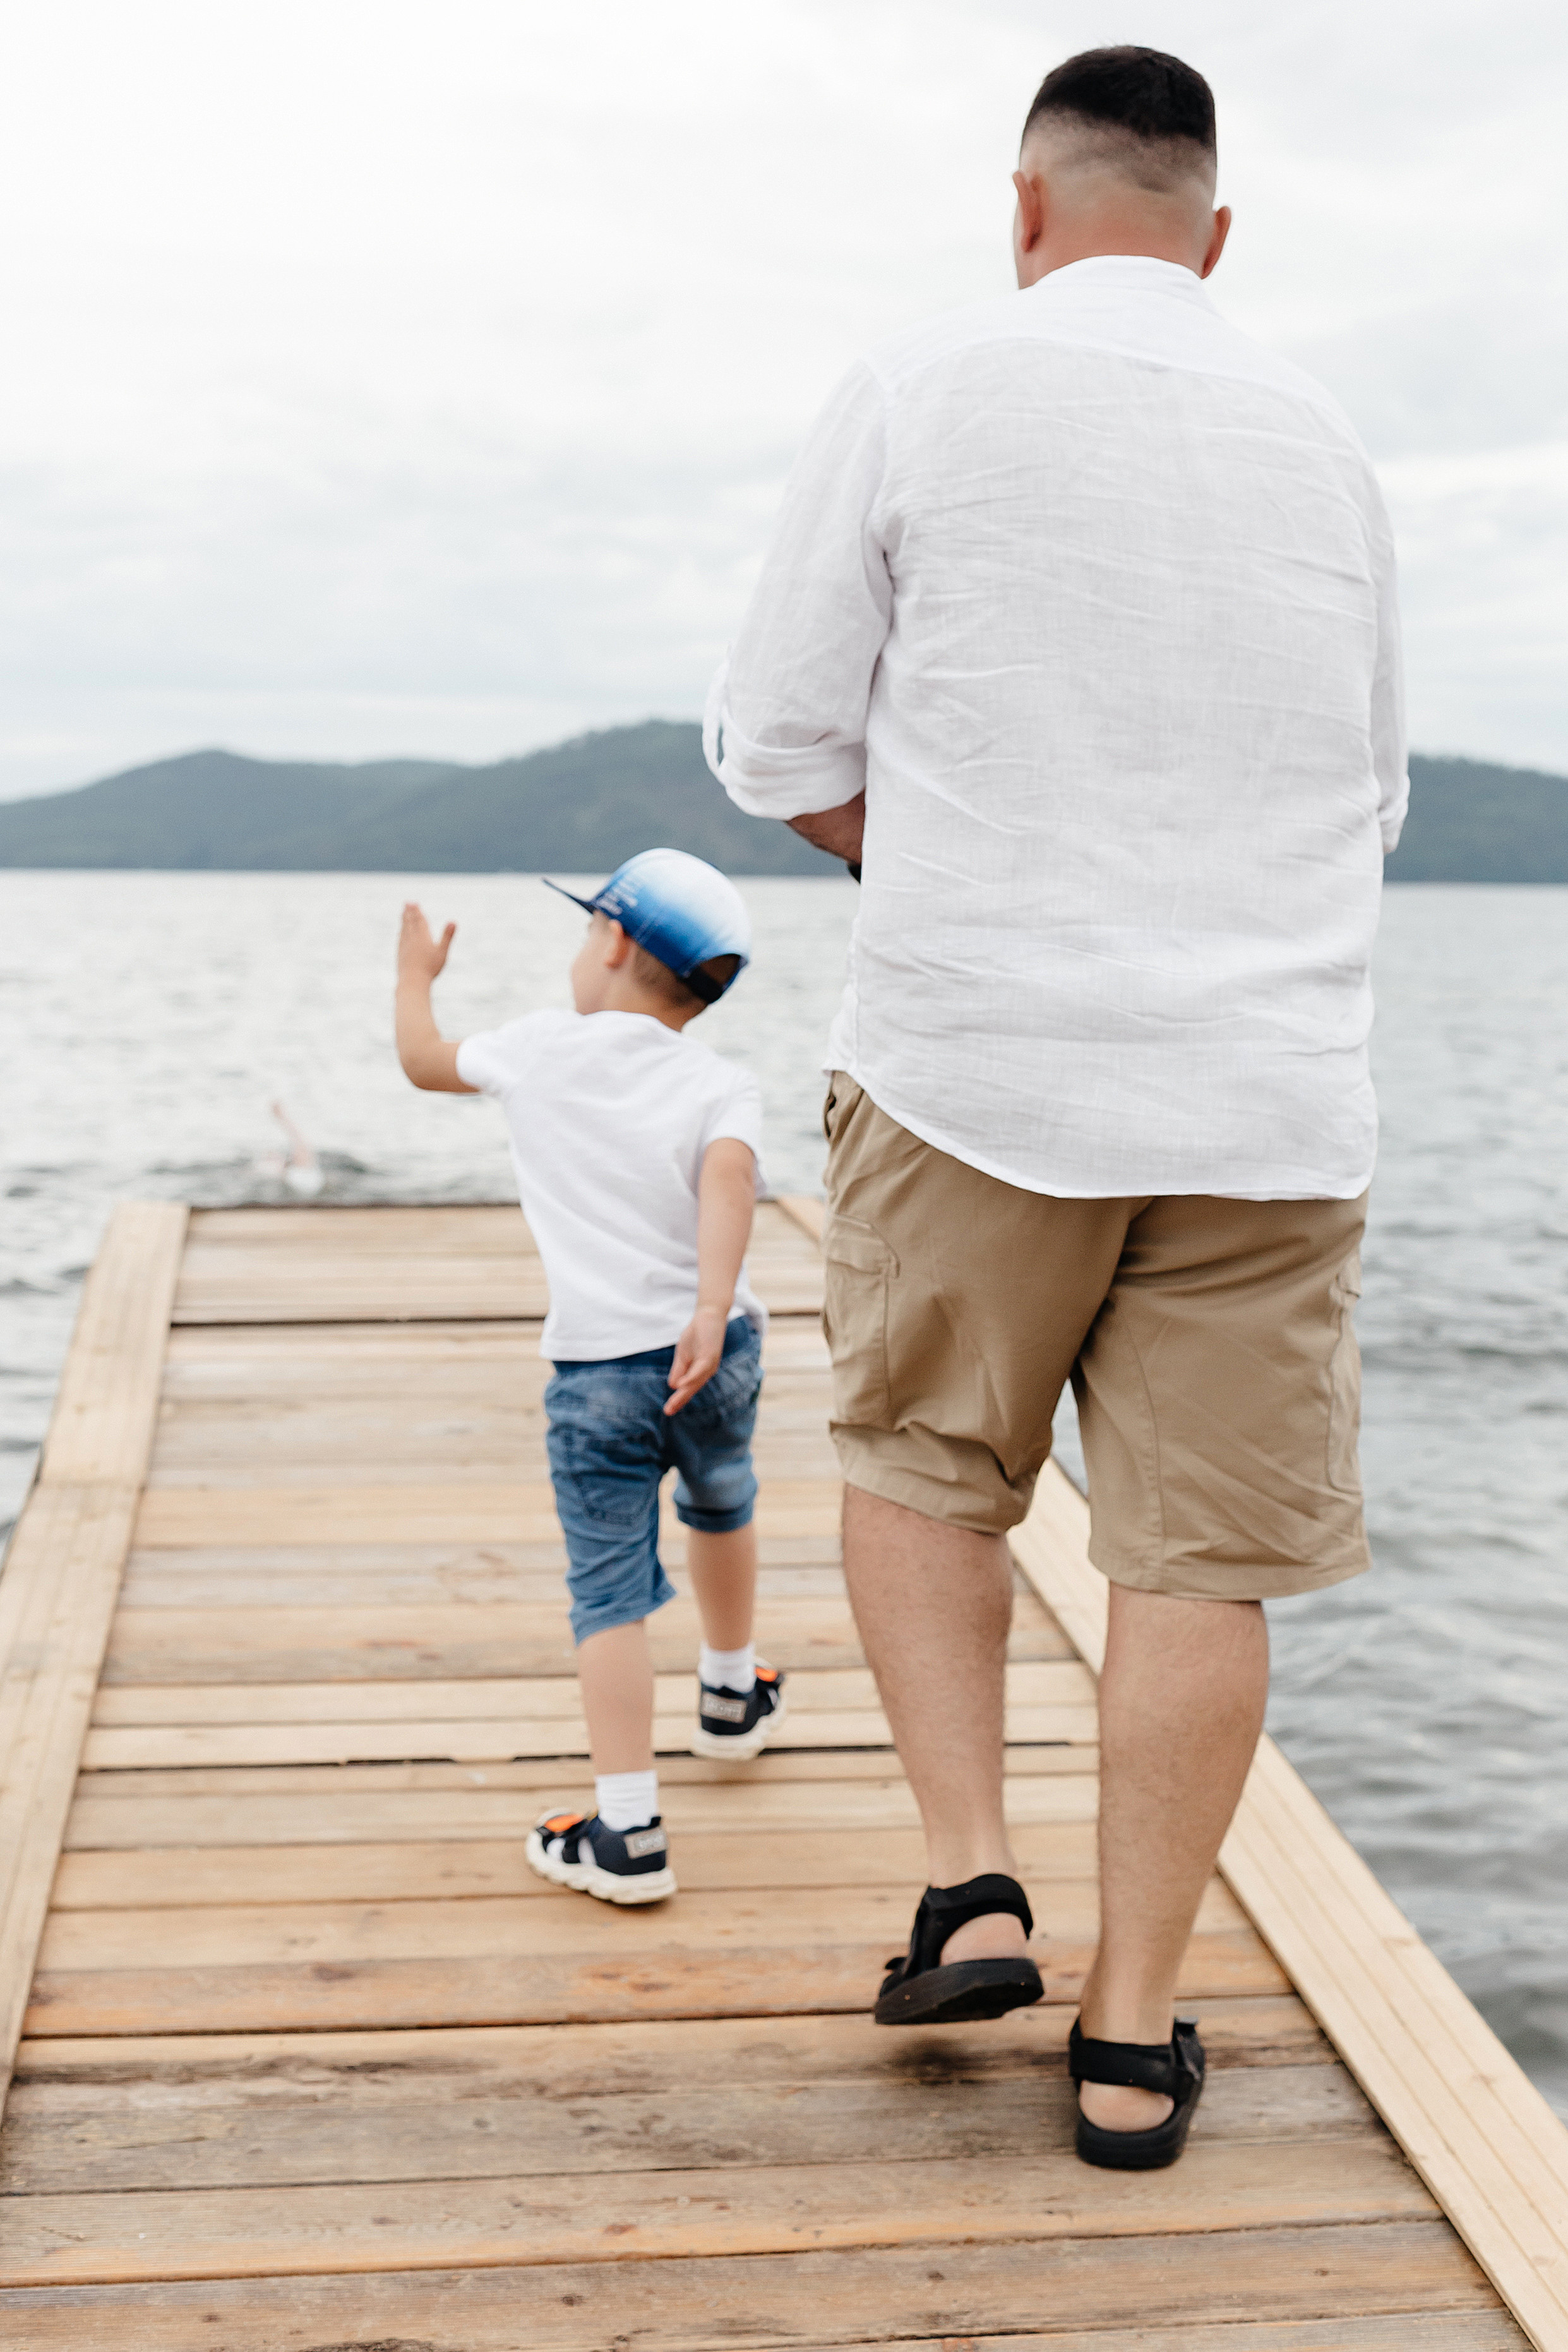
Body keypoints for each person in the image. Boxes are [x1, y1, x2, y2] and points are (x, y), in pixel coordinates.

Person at [705, 45, 1406, 2167]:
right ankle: (1125, 2040)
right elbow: (1366, 798)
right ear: (1213, 231)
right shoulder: (1331, 441)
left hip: (975, 1061)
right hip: (1266, 1097)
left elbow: (772, 735)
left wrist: (925, 869)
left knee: (924, 1466)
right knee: (1199, 1563)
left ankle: (970, 1879)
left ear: (1024, 210)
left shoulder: (925, 386)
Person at [394, 848, 787, 1904]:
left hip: (598, 1374)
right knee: (722, 1498)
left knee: (608, 1593)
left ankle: (626, 1832)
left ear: (613, 939)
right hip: (717, 1354)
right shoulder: (721, 1081)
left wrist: (414, 981)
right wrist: (709, 1306)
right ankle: (729, 1692)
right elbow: (731, 1178)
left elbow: (424, 1060)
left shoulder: (535, 1051)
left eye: (584, 932)